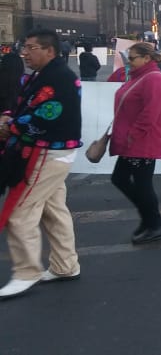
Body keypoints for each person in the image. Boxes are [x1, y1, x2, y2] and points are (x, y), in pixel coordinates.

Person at [0, 30, 82, 299]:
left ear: (49, 50)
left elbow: (46, 116)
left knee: (20, 212)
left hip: (46, 153)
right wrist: (11, 118)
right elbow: (26, 107)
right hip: (52, 151)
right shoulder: (43, 75)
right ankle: (65, 264)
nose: (25, 52)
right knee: (53, 210)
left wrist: (10, 126)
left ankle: (27, 271)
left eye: (31, 47)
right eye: (25, 47)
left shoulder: (59, 78)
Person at [109, 42, 161, 244]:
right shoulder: (140, 76)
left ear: (146, 58)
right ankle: (149, 219)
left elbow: (150, 112)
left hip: (142, 141)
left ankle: (153, 223)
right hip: (132, 139)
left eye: (133, 58)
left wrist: (132, 134)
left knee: (142, 184)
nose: (130, 62)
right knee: (120, 178)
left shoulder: (153, 78)